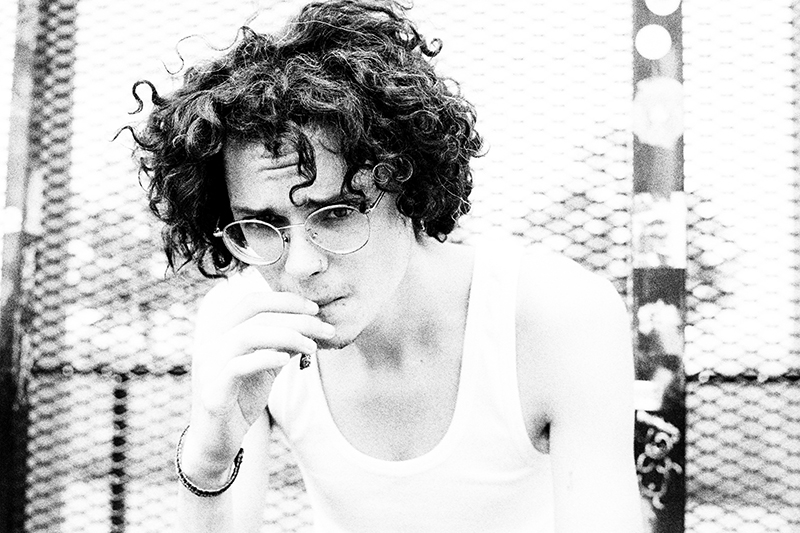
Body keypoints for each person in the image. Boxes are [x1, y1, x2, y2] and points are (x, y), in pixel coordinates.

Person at [127, 1, 643, 531]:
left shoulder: (555, 317)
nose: (300, 265)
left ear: (408, 187)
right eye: (263, 225)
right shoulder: (245, 325)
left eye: (337, 213)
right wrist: (208, 461)